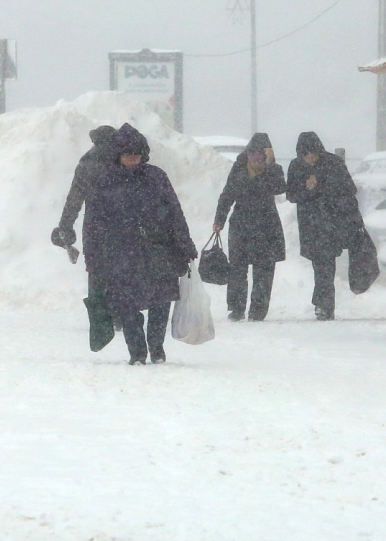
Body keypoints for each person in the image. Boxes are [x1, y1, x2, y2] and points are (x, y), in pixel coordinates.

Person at [83, 123, 198, 365]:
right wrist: (93, 257)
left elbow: (175, 212)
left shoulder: (157, 177)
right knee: (127, 305)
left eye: (136, 153)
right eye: (127, 153)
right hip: (121, 254)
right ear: (118, 155)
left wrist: (184, 243)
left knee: (161, 300)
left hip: (158, 250)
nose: (132, 157)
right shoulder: (104, 182)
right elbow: (93, 223)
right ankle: (137, 351)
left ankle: (156, 347)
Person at [51, 125, 120, 348]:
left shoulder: (87, 163)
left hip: (95, 227)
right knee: (122, 269)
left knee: (97, 273)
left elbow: (74, 199)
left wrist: (65, 226)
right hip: (123, 225)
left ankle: (100, 320)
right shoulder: (122, 159)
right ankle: (121, 312)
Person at [286, 131, 363, 320]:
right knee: (319, 265)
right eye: (306, 155)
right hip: (310, 224)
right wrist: (307, 188)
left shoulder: (333, 163)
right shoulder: (296, 166)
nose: (310, 158)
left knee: (326, 265)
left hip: (331, 222)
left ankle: (324, 306)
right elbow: (291, 195)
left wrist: (322, 186)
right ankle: (322, 303)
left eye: (313, 154)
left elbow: (349, 189)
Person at [212, 133, 286, 322]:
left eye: (261, 154)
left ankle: (258, 311)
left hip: (267, 227)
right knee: (237, 269)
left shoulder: (272, 171)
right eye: (252, 153)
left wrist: (271, 164)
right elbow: (227, 195)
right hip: (241, 226)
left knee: (264, 270)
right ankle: (237, 309)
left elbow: (279, 187)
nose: (256, 158)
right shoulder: (238, 169)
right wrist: (219, 219)